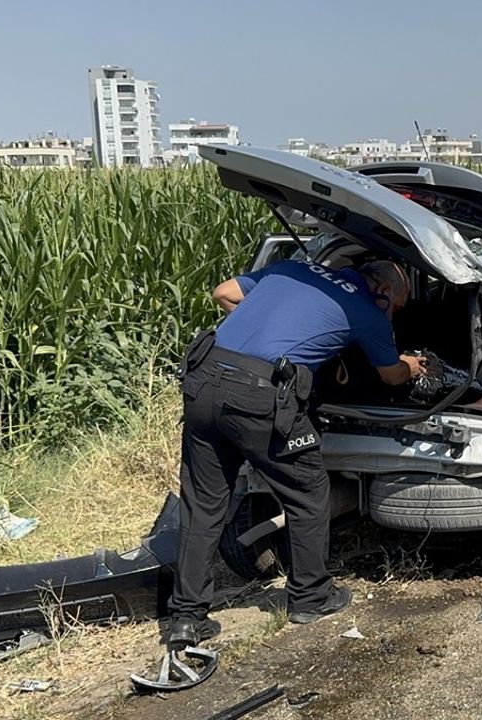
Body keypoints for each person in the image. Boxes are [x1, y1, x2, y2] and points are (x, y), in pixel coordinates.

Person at [166, 258, 427, 648]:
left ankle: (186, 619)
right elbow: (390, 375)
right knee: (307, 491)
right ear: (385, 291)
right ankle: (311, 597)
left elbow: (224, 293)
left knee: (203, 504)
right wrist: (412, 365)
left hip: (202, 379)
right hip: (257, 399)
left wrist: (267, 336)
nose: (395, 313)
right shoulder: (365, 310)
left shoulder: (292, 268)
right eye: (399, 306)